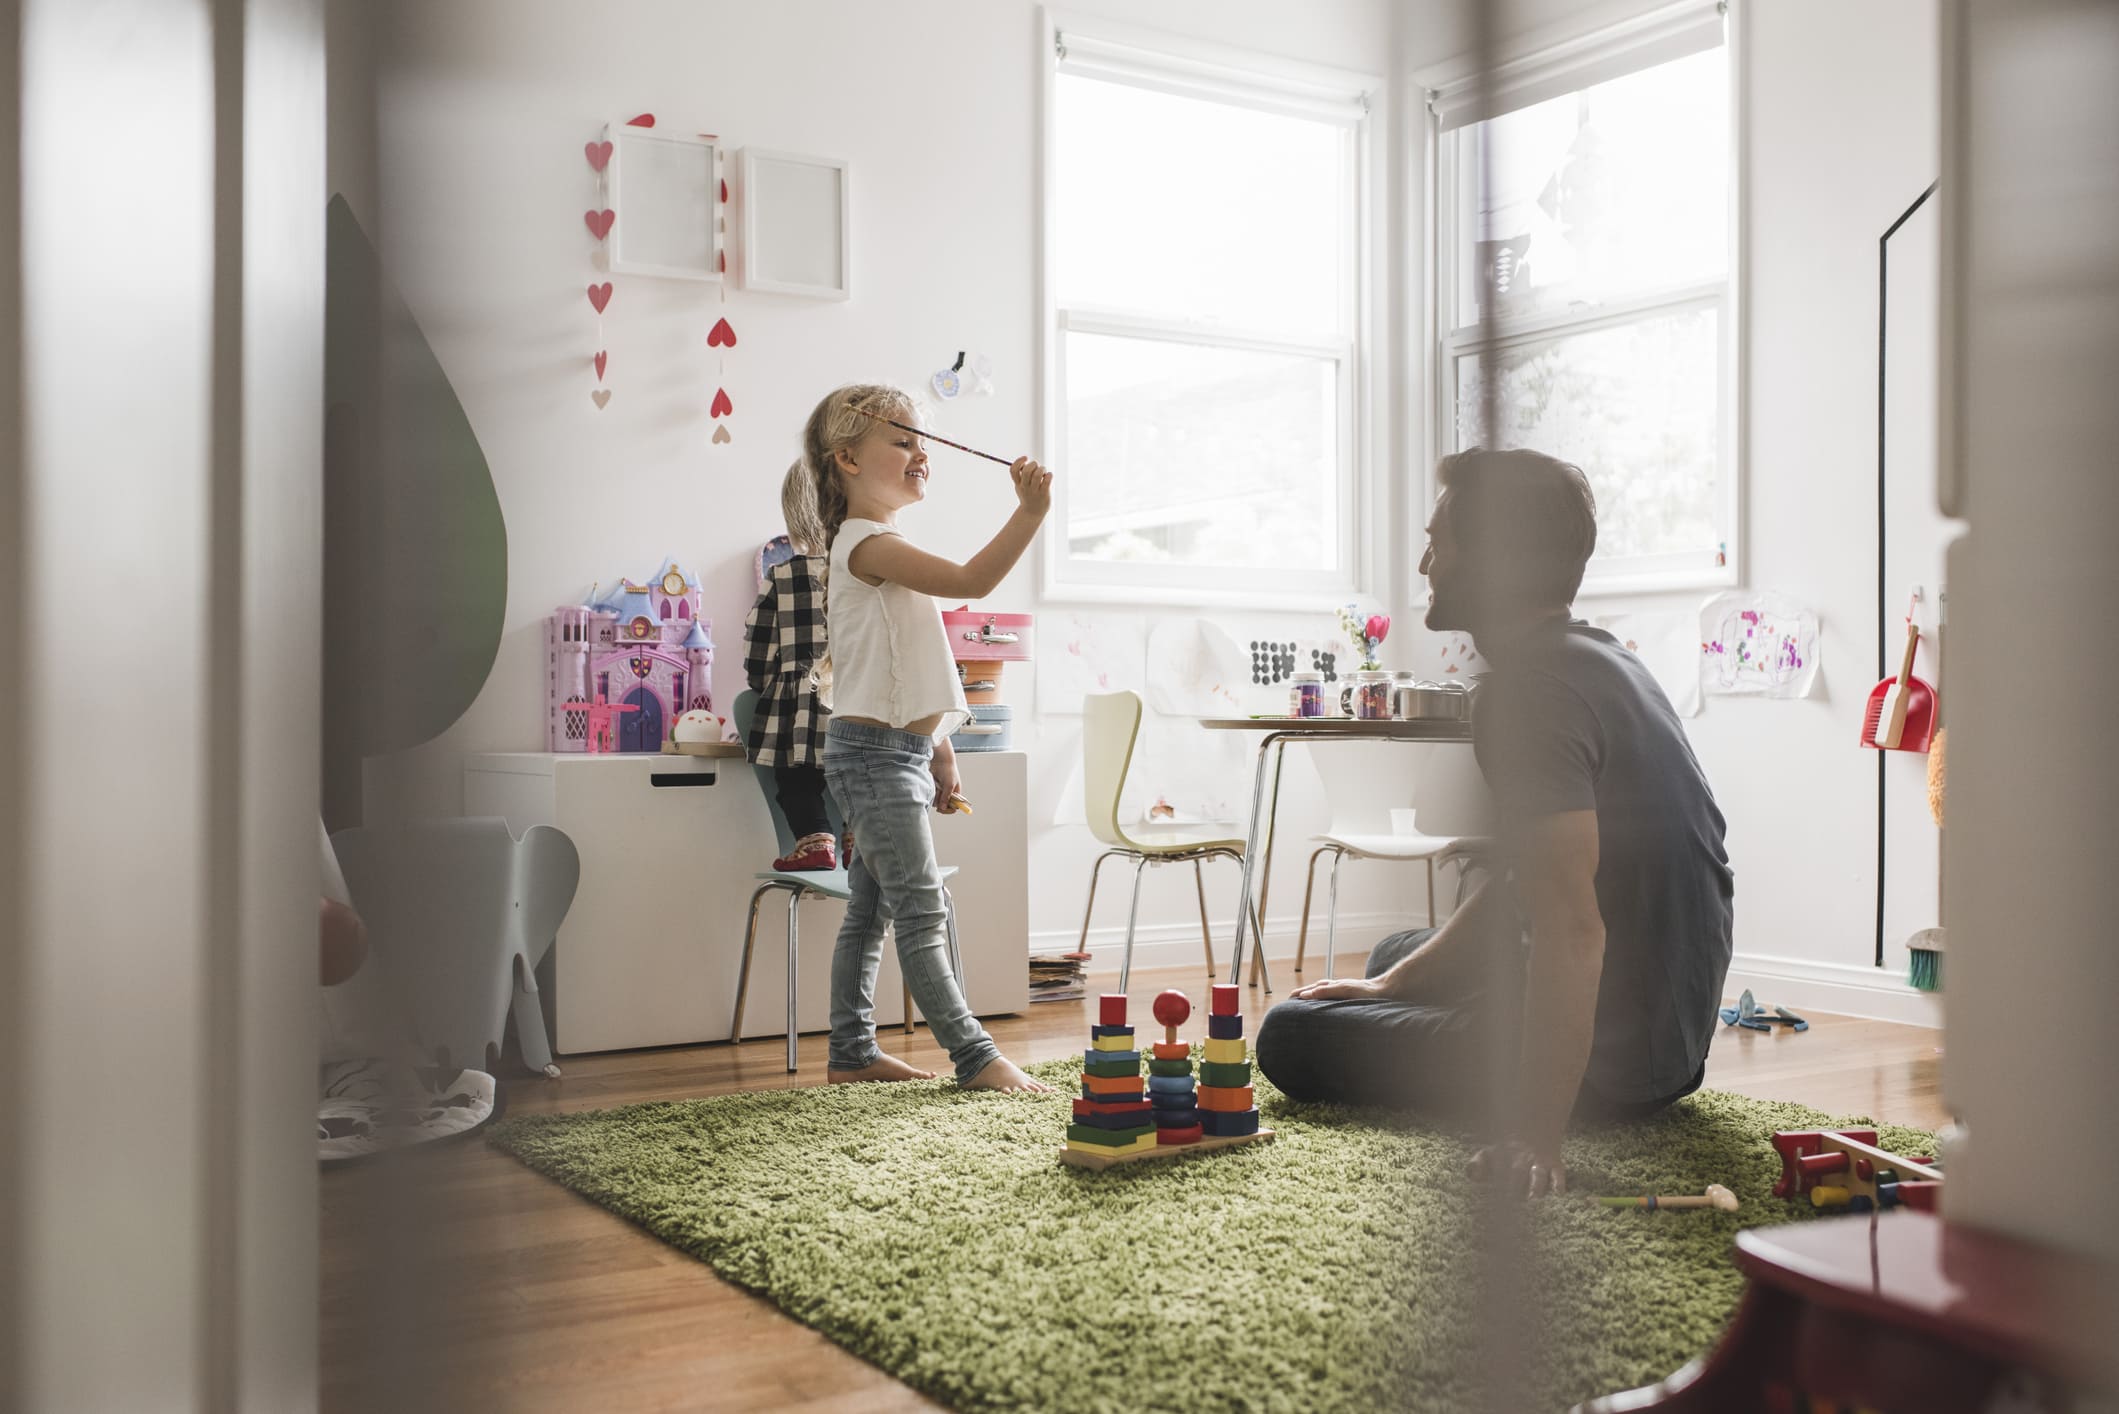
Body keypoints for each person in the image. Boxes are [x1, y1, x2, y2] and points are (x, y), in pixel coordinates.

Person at [1254, 448, 1734, 1197]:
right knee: (1390, 956)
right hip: (1669, 1032)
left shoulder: (1527, 693)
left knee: (1289, 1032)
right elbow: (1525, 880)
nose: (1424, 564)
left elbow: (1572, 930)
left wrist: (1533, 1137)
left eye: (1437, 544)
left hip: (1617, 1064)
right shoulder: (1602, 658)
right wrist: (1393, 988)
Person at [788, 383, 1052, 1092]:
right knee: (922, 908)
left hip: (892, 754)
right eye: (901, 440)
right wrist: (1029, 513)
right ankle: (976, 1057)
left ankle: (851, 1053)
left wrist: (937, 748)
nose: (920, 453)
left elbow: (901, 665)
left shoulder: (880, 547)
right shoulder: (869, 544)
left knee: (872, 911)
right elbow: (973, 579)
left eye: (922, 441)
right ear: (848, 459)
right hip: (874, 760)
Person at [743, 466, 837, 871]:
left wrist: (766, 687)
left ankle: (815, 842)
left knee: (796, 781)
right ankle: (858, 840)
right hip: (856, 700)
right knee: (857, 777)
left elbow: (758, 649)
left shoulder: (781, 576)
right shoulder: (861, 573)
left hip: (799, 708)